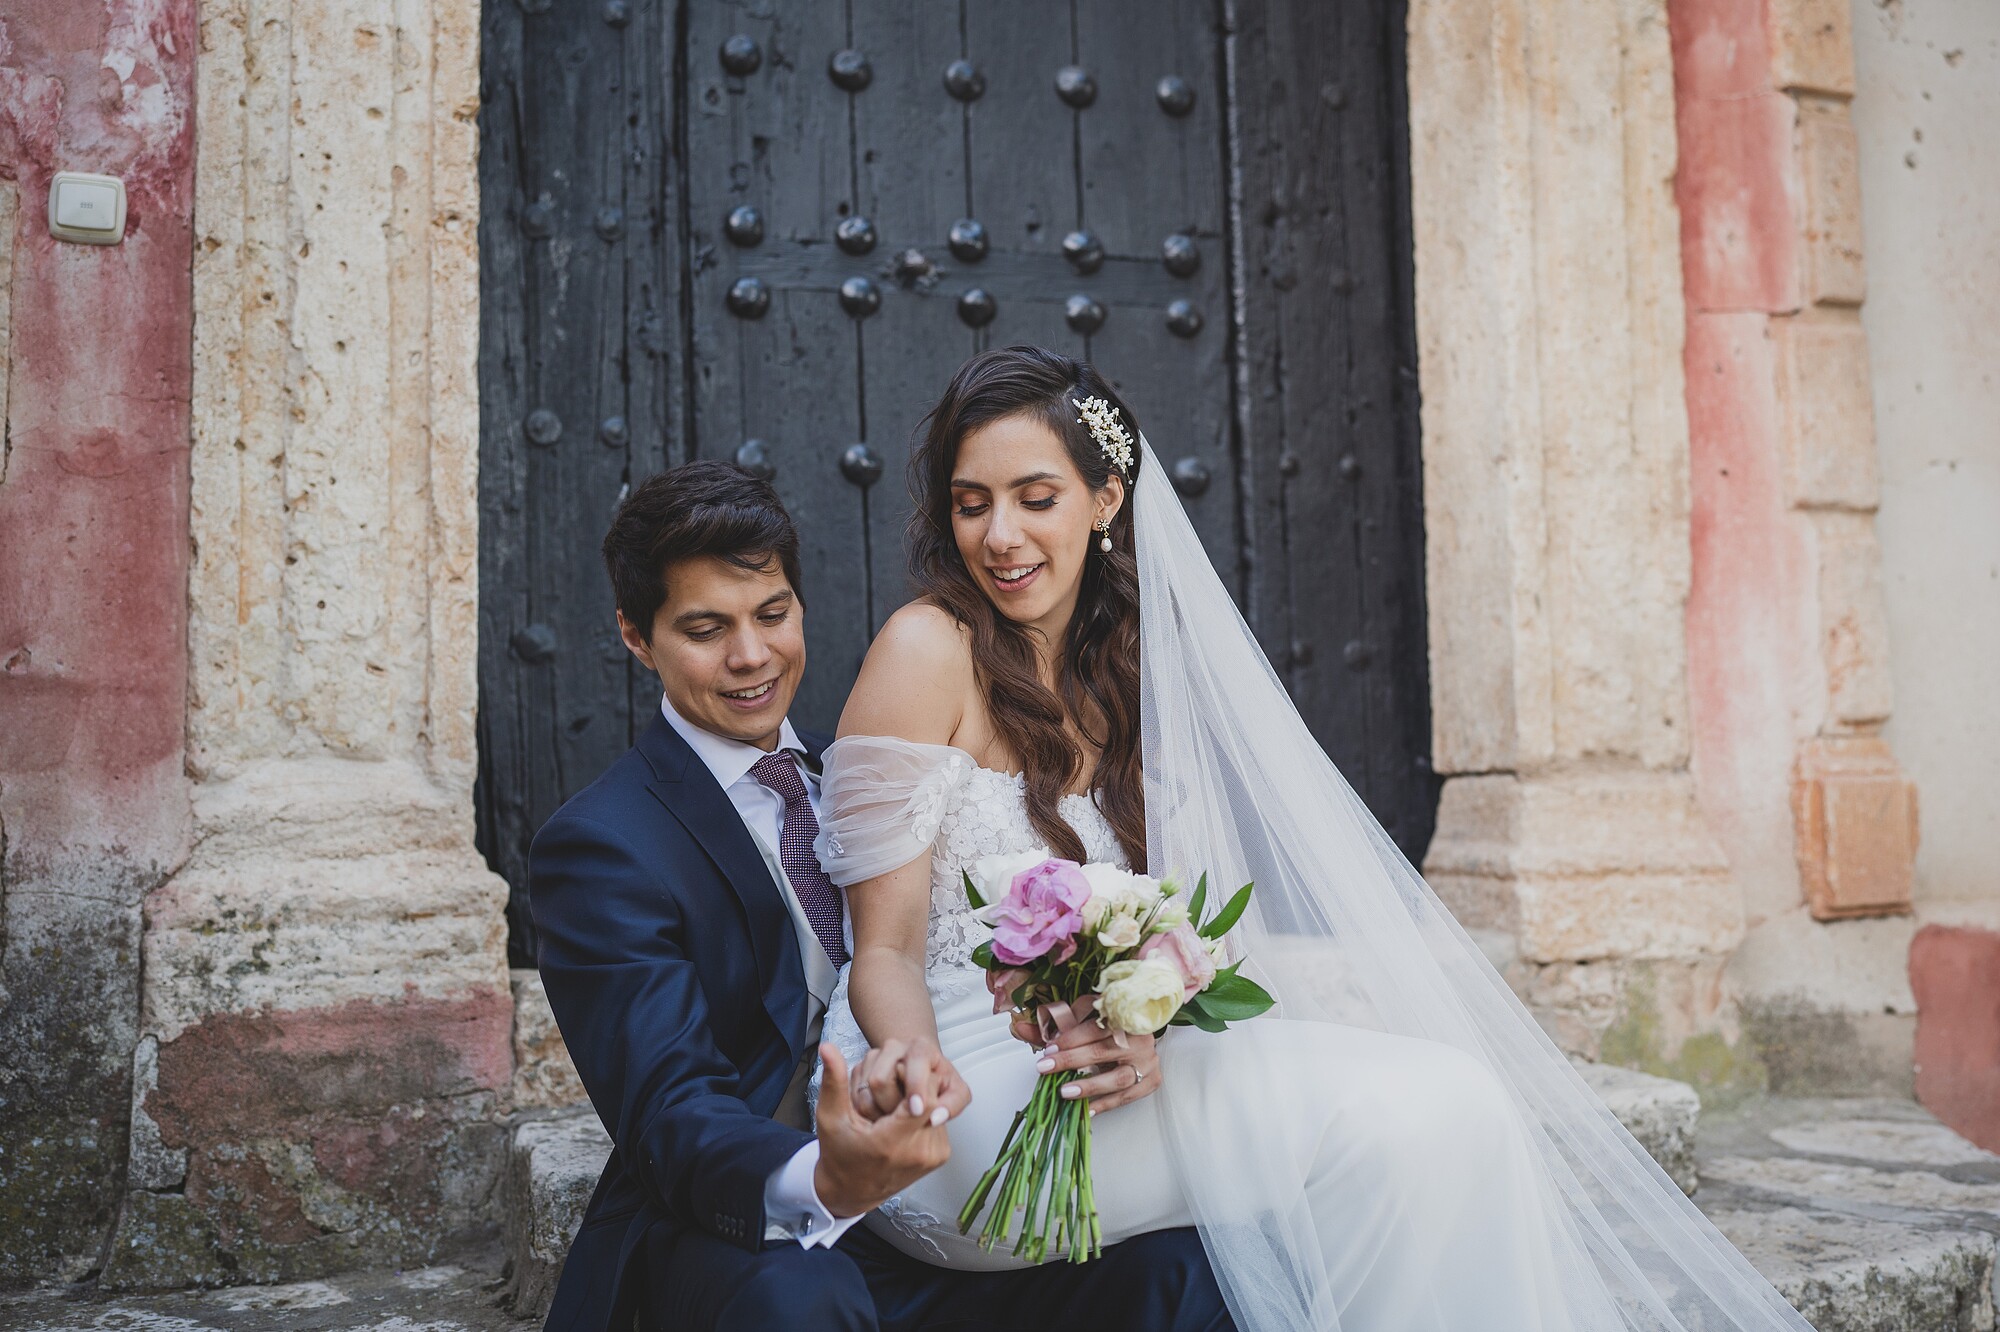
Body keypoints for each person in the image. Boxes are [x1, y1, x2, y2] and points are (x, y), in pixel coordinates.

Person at [813, 346, 1820, 1332]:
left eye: (1034, 496)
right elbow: (886, 947)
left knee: (1444, 1118)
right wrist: (909, 1054)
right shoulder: (925, 649)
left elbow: (1156, 939)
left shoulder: (1119, 674)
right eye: (969, 500)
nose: (999, 533)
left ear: (1105, 500)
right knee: (1442, 1112)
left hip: (1088, 1098)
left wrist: (1141, 1032)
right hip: (952, 1122)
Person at [527, 460, 1234, 1332]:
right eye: (706, 629)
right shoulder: (601, 845)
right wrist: (823, 1180)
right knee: (802, 1302)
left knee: (1194, 1266)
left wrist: (1111, 1030)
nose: (751, 656)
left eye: (772, 615)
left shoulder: (883, 770)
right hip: (749, 1224)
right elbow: (669, 1113)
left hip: (954, 1202)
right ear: (639, 637)